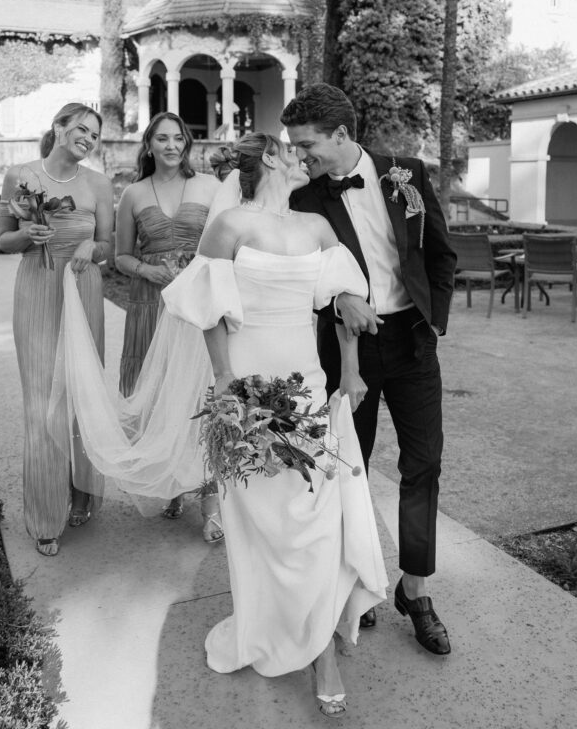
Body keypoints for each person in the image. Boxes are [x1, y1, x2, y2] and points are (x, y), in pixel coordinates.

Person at [162, 133, 388, 719]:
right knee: (263, 521)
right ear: (268, 159)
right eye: (292, 148)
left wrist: (352, 374)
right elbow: (210, 310)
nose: (301, 155)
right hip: (248, 380)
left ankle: (320, 652)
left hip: (306, 381)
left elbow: (344, 299)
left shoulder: (316, 227)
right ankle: (276, 622)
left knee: (313, 516)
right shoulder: (230, 225)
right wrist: (222, 384)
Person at [281, 83, 456, 655]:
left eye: (308, 145)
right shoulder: (303, 200)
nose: (301, 156)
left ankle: (416, 588)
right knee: (345, 468)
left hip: (410, 341)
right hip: (345, 352)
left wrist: (434, 323)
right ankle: (355, 583)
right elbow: (299, 282)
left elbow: (439, 252)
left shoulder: (406, 173)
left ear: (341, 134)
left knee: (423, 464)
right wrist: (336, 302)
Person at [0, 102, 113, 557]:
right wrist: (28, 236)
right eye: (81, 129)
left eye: (95, 134)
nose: (87, 138)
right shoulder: (21, 175)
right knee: (41, 400)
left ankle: (84, 493)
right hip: (38, 288)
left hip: (83, 289)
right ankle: (46, 513)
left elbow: (108, 245)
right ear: (59, 128)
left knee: (83, 397)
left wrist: (90, 244)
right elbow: (2, 239)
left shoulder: (100, 184)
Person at [115, 112, 222, 539]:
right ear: (149, 145)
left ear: (188, 144)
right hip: (150, 304)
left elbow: (227, 244)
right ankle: (173, 483)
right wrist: (146, 269)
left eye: (179, 138)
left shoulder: (209, 187)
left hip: (196, 308)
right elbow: (120, 256)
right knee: (159, 395)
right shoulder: (133, 194)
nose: (172, 146)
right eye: (162, 139)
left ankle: (211, 503)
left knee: (204, 398)